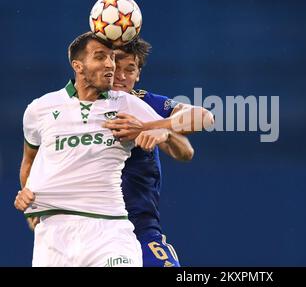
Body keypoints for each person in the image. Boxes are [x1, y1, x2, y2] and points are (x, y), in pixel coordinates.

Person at [13, 32, 170, 267]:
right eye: (100, 57)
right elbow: (29, 161)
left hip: (110, 228)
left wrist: (160, 129)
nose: (110, 65)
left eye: (112, 59)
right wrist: (28, 193)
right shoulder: (39, 110)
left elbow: (193, 130)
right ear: (77, 65)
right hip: (54, 235)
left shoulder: (127, 102)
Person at [102, 38, 213, 267]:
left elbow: (203, 118)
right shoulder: (75, 107)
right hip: (93, 231)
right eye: (116, 68)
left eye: (130, 69)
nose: (121, 77)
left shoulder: (145, 104)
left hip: (139, 230)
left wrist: (158, 129)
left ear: (138, 74)